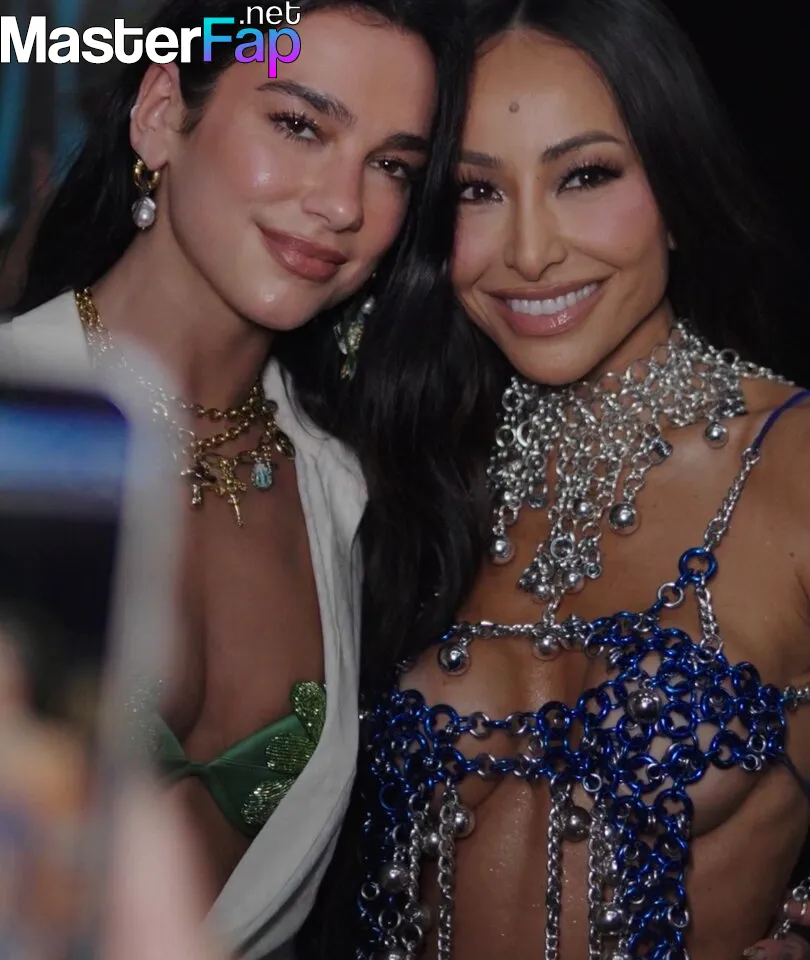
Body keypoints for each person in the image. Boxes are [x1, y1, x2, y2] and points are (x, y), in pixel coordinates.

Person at [0, 0, 469, 956]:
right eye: (299, 125)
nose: (344, 204)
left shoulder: (345, 486)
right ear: (161, 115)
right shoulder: (23, 423)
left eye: (392, 167)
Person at [342, 0, 810, 958]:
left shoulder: (793, 462)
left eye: (585, 176)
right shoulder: (402, 461)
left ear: (678, 186)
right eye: (477, 191)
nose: (530, 252)